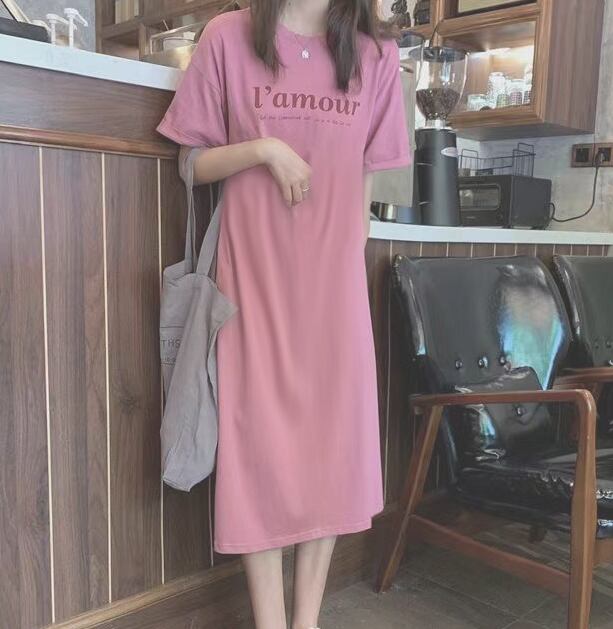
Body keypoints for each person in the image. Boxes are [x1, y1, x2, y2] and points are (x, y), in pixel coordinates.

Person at [156, 1, 411, 627]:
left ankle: (307, 622)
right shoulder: (228, 35)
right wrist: (264, 148)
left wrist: (342, 272)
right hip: (253, 283)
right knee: (258, 452)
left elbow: (364, 190)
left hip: (333, 293)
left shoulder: (377, 54)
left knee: (330, 453)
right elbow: (191, 163)